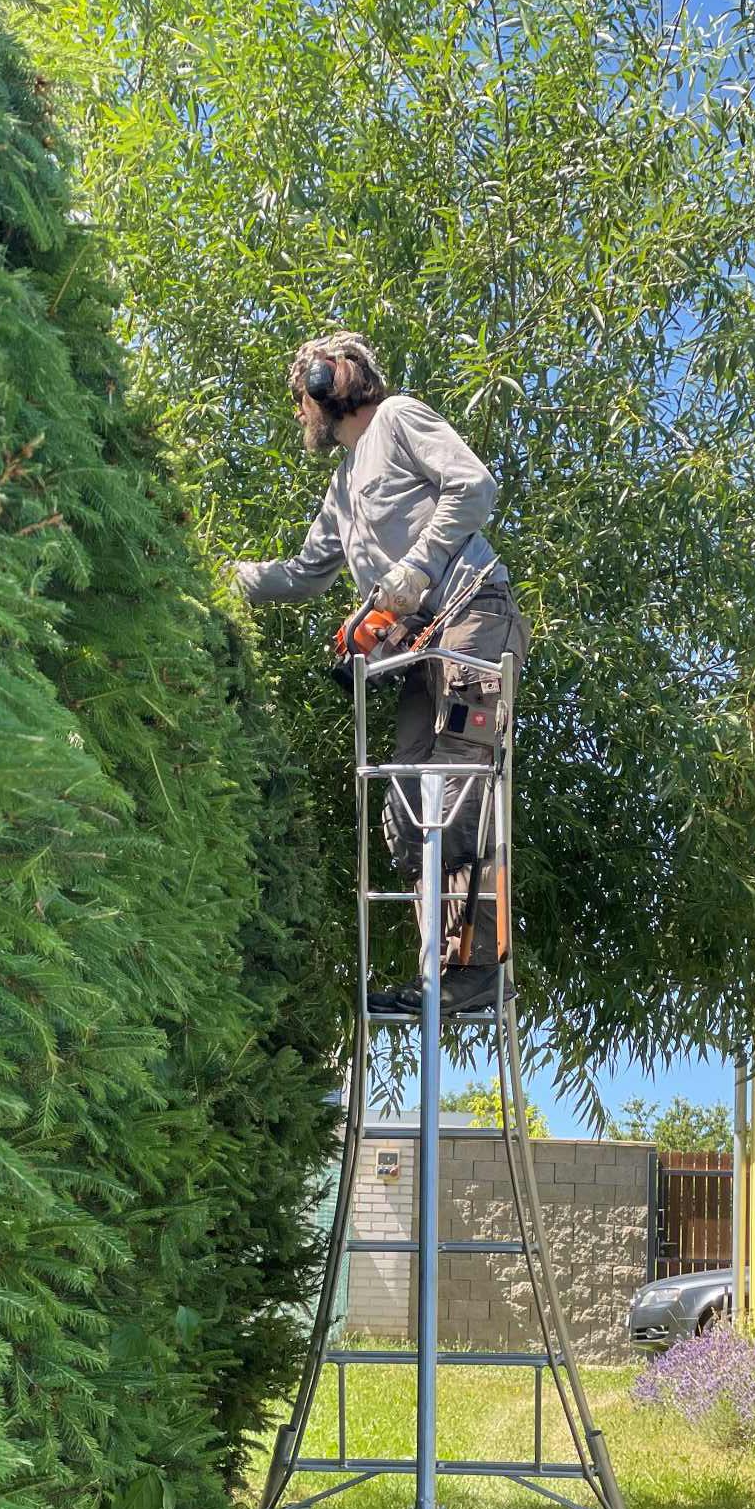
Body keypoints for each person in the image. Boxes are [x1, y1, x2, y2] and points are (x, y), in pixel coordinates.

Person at [234, 332, 528, 1016]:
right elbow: (302, 574)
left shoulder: (399, 419)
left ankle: (477, 970)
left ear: (325, 381)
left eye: (300, 396)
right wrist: (222, 577)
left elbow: (474, 485)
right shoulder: (343, 483)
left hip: (473, 616)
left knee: (453, 791)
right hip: (420, 649)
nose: (299, 413)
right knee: (407, 811)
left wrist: (419, 564)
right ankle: (444, 969)